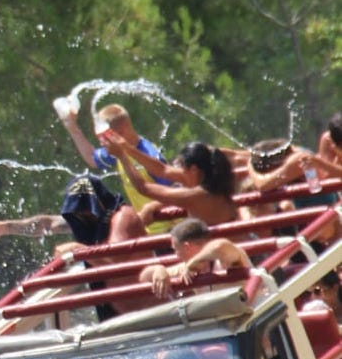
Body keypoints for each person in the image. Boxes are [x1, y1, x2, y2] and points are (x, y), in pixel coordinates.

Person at [58, 101, 174, 236]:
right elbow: (91, 158)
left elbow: (174, 189)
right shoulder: (118, 151)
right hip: (149, 232)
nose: (101, 142)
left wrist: (152, 207)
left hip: (170, 230)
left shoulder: (148, 154)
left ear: (121, 131)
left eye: (103, 137)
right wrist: (72, 126)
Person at [106, 139, 239, 230]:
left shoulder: (198, 194)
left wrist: (122, 157)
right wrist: (127, 148)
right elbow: (162, 169)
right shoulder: (216, 181)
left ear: (193, 169)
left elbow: (144, 188)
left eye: (180, 165)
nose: (175, 170)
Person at [0, 173, 128, 248]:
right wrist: (5, 227)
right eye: (76, 210)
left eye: (84, 208)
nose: (79, 214)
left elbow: (117, 251)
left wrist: (79, 249)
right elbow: (47, 225)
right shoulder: (82, 222)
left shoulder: (121, 217)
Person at [137, 217, 253, 300]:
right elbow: (144, 277)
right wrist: (159, 270)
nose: (176, 255)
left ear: (187, 247)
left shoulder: (224, 258)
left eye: (176, 249)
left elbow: (220, 246)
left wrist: (192, 262)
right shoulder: (185, 268)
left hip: (257, 318)